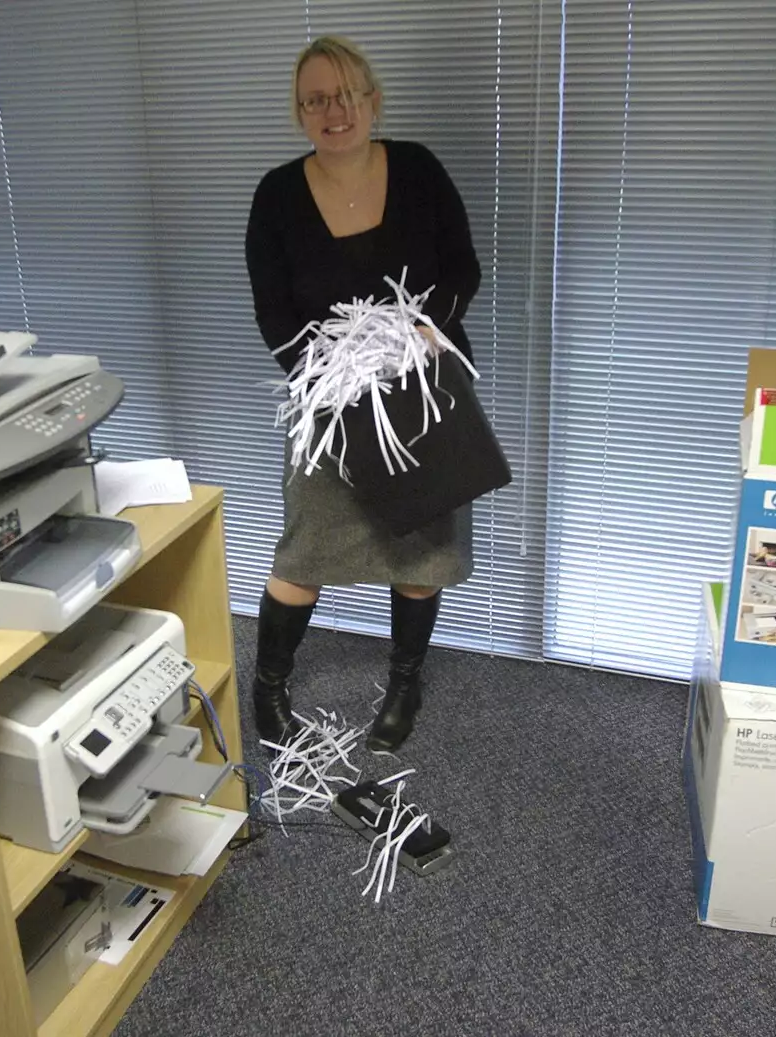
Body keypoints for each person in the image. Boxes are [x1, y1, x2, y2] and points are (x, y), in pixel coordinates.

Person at [243, 35, 481, 754]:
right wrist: (330, 378)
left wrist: (419, 336)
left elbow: (461, 270)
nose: (334, 111)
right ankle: (270, 682)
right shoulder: (277, 195)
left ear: (372, 100)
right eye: (316, 99)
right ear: (300, 112)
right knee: (305, 551)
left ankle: (404, 680)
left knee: (421, 553)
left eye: (346, 94)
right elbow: (274, 314)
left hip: (424, 391)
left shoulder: (417, 168)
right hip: (330, 404)